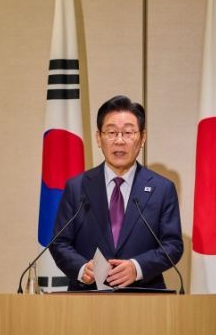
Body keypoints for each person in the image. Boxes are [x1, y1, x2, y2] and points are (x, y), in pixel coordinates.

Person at [50, 95, 183, 290]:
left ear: (142, 138)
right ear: (99, 138)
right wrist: (82, 269)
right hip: (87, 297)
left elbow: (172, 245)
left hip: (145, 296)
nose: (119, 141)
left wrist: (137, 267)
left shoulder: (162, 189)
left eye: (128, 133)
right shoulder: (76, 187)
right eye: (111, 132)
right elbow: (59, 242)